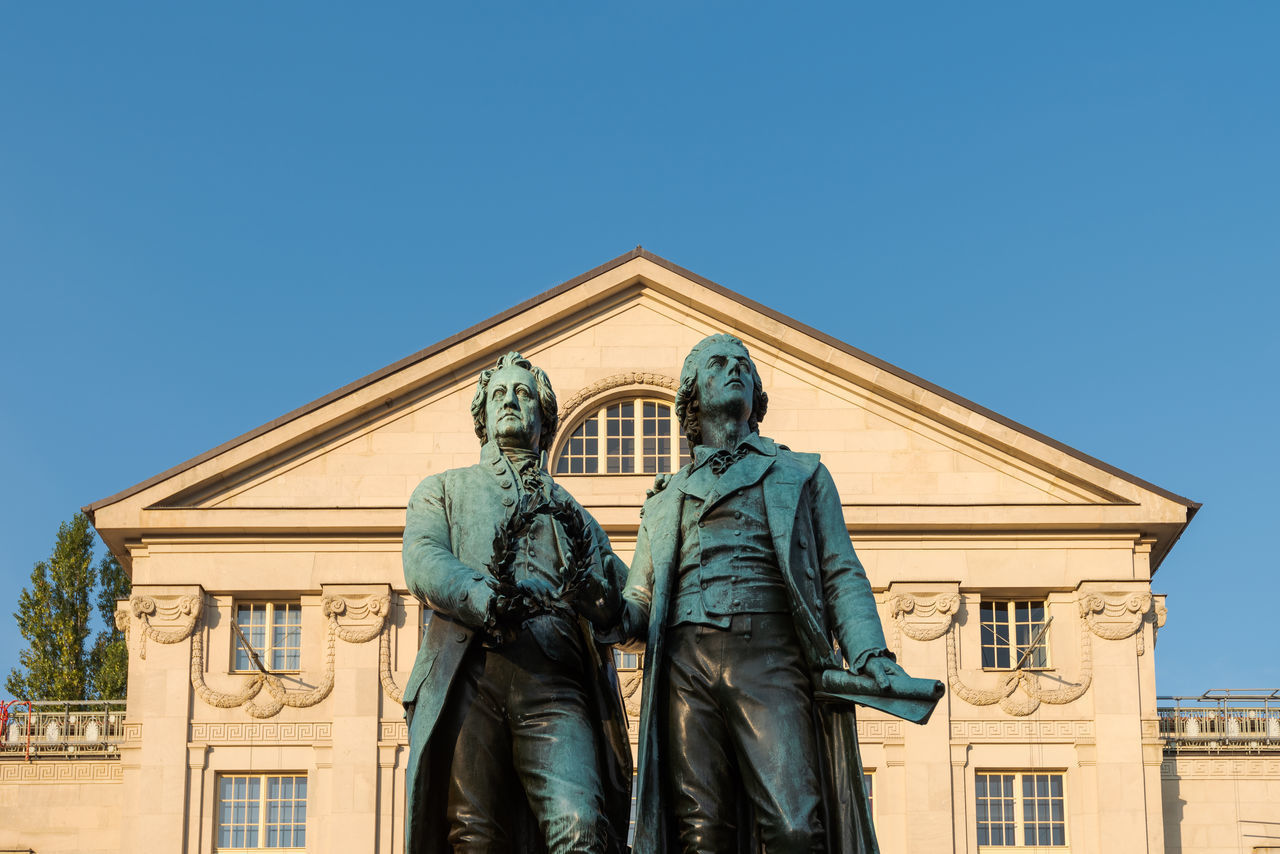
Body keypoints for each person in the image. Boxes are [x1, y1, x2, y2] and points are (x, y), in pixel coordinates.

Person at [621, 333, 936, 854]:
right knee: (699, 834)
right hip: (683, 663)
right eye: (719, 364)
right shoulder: (664, 498)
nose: (735, 369)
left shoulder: (800, 471)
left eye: (744, 364)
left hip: (768, 654)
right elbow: (639, 601)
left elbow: (840, 572)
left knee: (794, 824)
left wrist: (872, 653)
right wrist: (602, 604)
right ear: (692, 395)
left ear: (758, 395)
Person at [401, 351, 632, 854]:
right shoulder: (443, 489)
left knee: (581, 827)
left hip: (556, 682)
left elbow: (628, 603)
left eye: (523, 393)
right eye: (499, 393)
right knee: (473, 835)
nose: (510, 400)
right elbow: (423, 559)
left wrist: (605, 602)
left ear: (544, 419)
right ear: (482, 414)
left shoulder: (579, 518)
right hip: (472, 672)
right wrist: (480, 594)